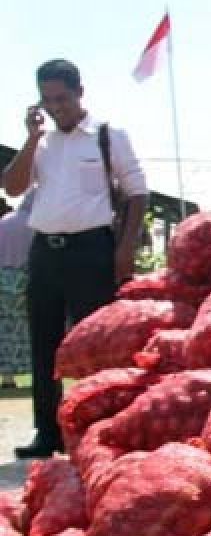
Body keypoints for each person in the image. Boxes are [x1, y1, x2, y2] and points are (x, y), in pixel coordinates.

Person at [1, 59, 148, 458]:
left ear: (80, 92)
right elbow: (12, 189)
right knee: (44, 346)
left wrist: (125, 249)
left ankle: (93, 430)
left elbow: (137, 193)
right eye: (47, 100)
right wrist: (30, 138)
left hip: (92, 251)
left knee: (92, 346)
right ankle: (46, 432)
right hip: (45, 252)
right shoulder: (42, 144)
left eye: (62, 98)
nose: (56, 107)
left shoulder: (106, 135)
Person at [0, 193, 36, 390]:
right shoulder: (35, 224)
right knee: (30, 328)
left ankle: (7, 377)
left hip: (3, 279)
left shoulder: (4, 222)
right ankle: (34, 372)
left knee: (4, 328)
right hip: (27, 279)